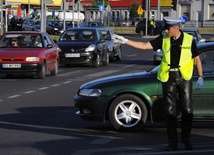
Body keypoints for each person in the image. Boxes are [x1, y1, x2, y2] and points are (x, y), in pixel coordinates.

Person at [112, 16, 204, 151]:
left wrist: (200, 76)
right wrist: (126, 41)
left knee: (187, 110)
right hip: (168, 77)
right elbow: (144, 46)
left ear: (176, 28)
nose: (166, 31)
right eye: (165, 29)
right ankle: (172, 143)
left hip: (184, 77)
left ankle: (186, 139)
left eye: (168, 29)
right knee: (169, 111)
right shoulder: (164, 39)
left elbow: (197, 59)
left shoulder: (190, 40)